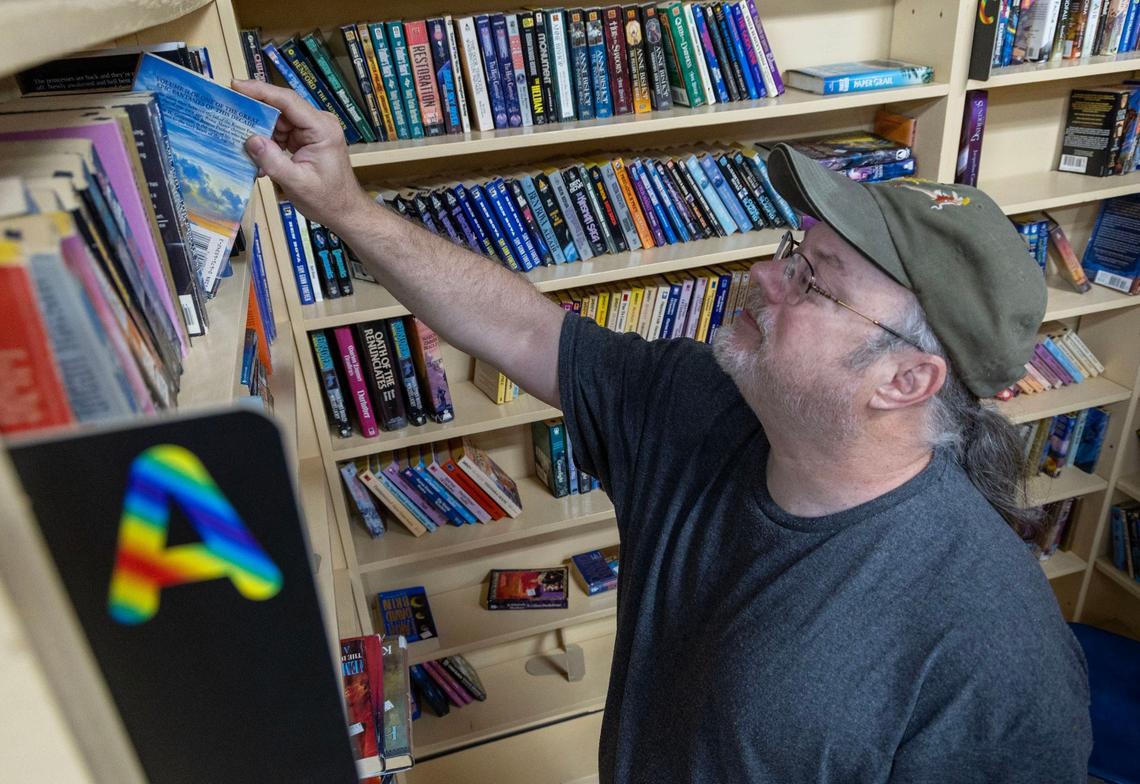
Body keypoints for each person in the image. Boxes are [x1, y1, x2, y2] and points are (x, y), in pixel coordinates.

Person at [234, 79, 1092, 782]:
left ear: (905, 380)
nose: (765, 276)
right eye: (794, 250)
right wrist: (344, 205)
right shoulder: (702, 401)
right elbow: (525, 329)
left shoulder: (994, 648)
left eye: (814, 279)